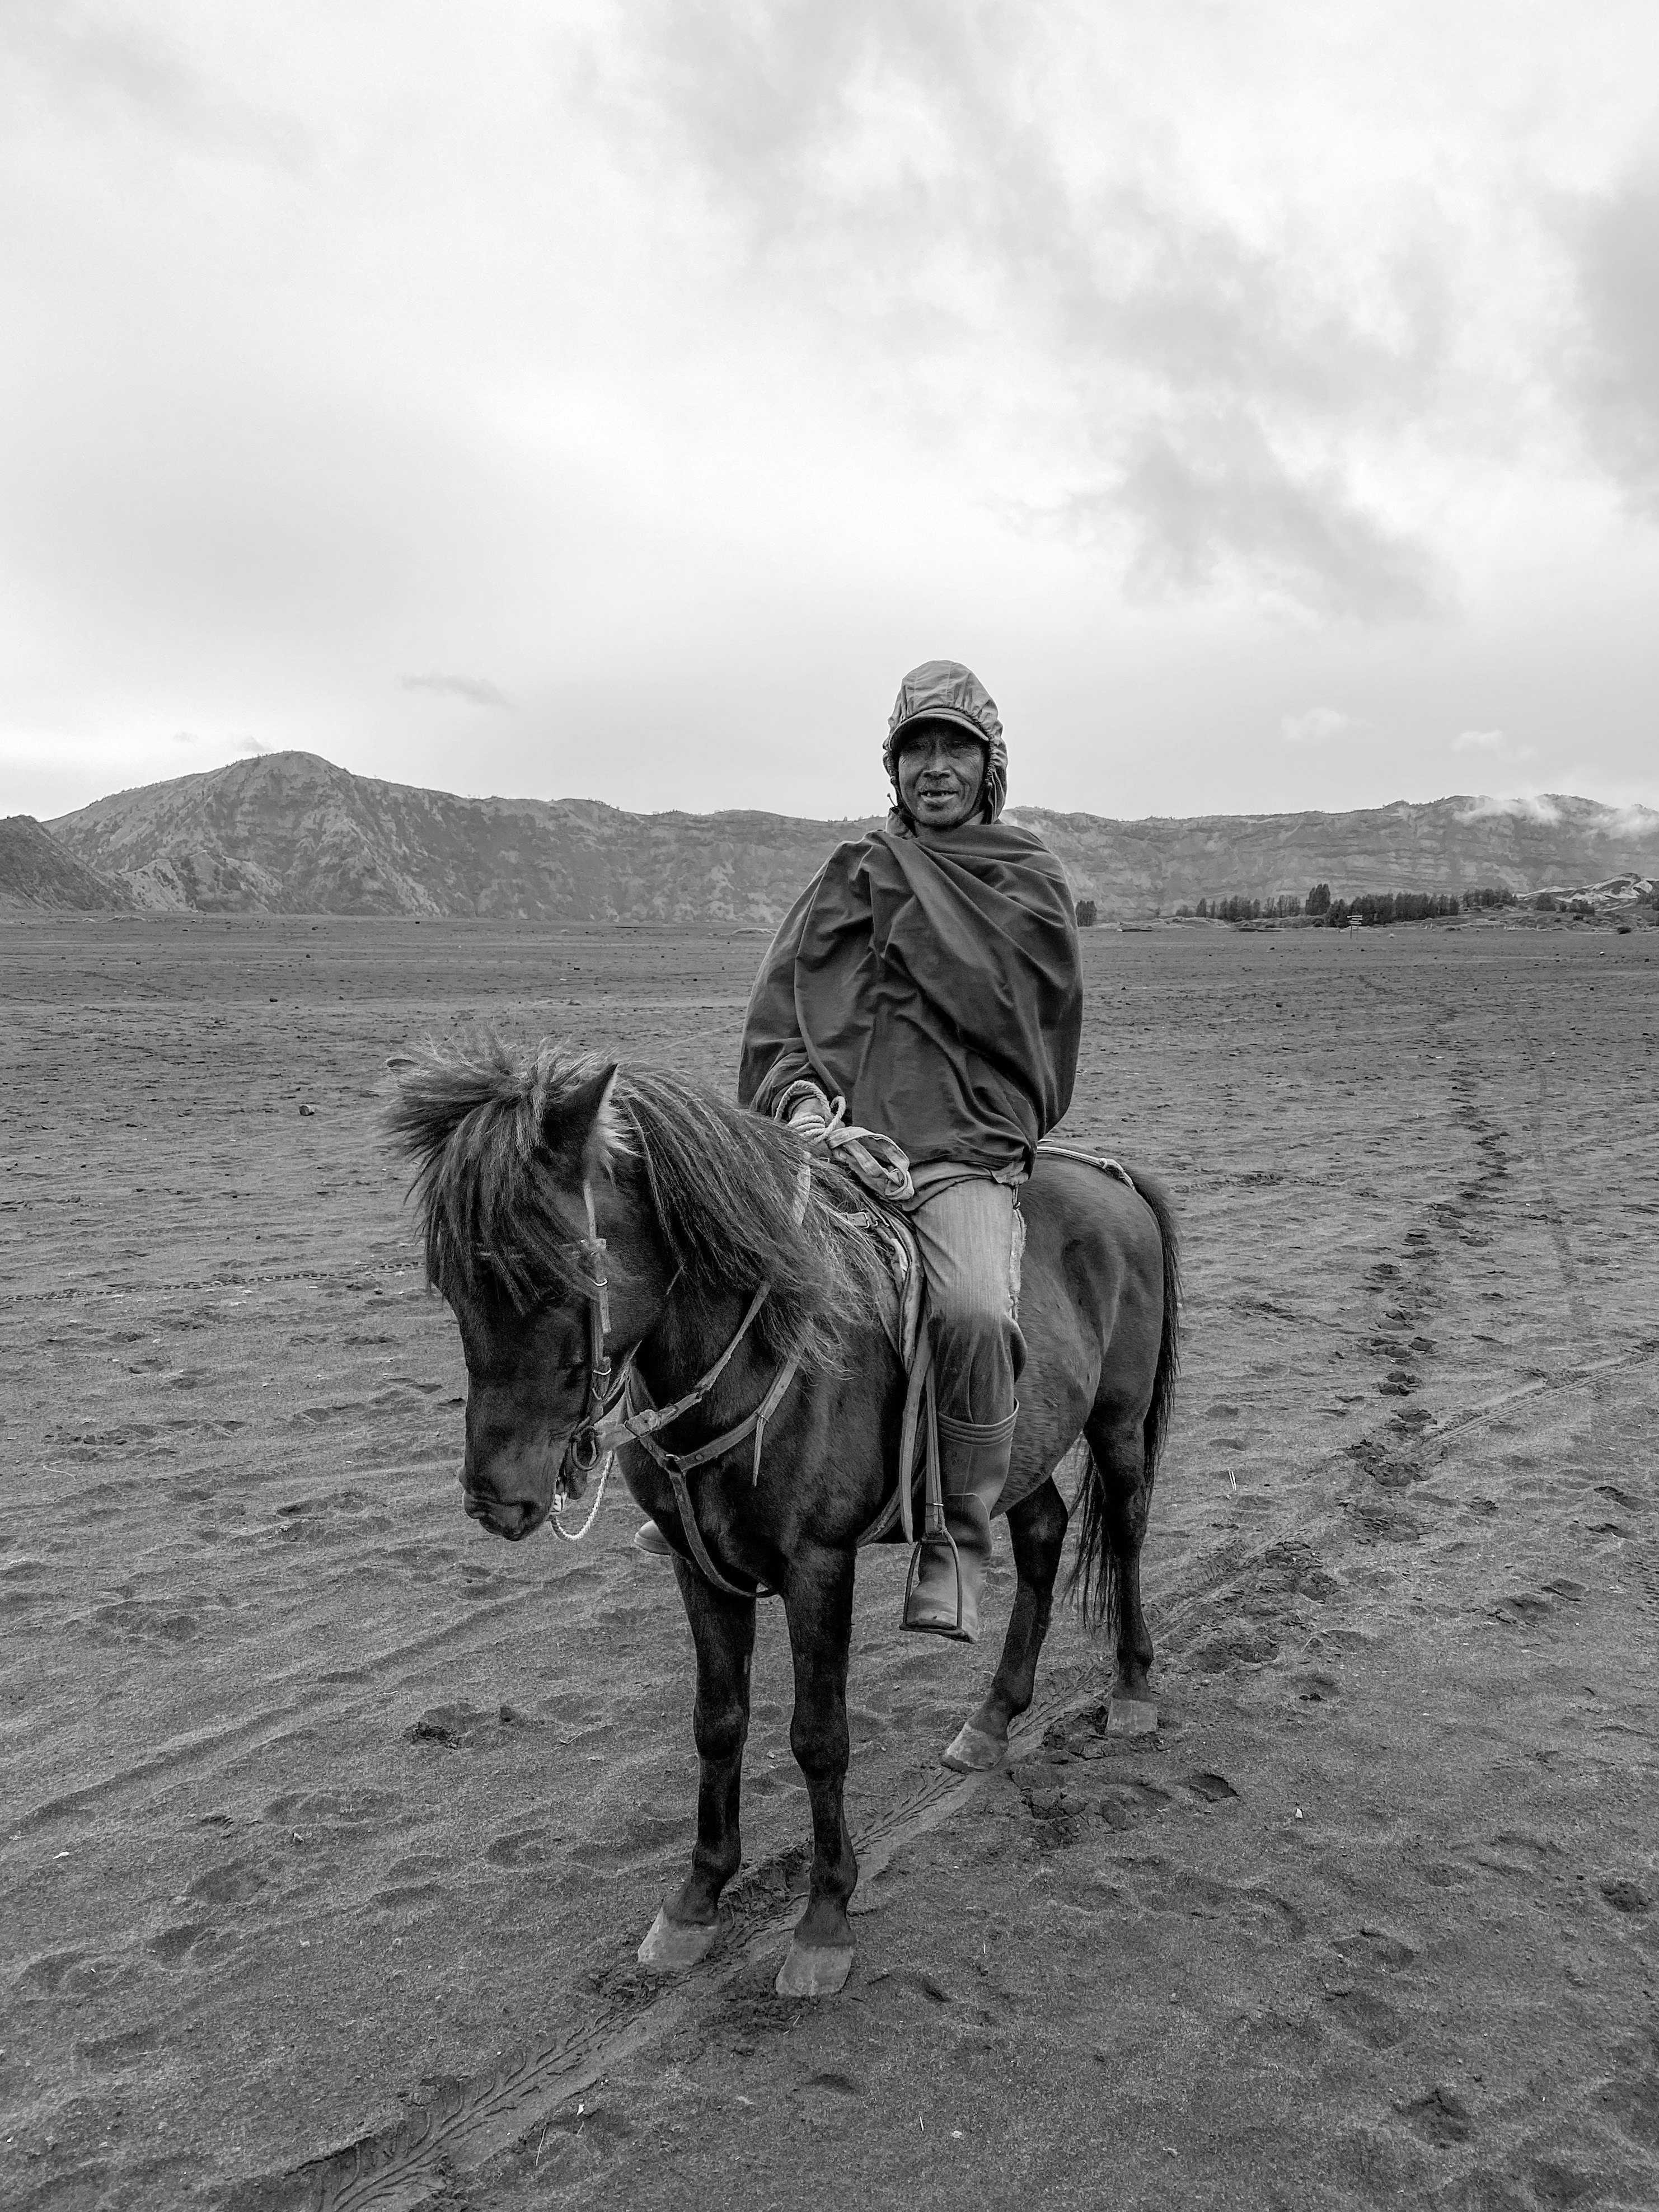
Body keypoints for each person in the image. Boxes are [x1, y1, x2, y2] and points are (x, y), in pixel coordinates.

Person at [728, 659, 1082, 1639]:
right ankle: (702, 1490)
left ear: (989, 766)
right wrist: (798, 1104)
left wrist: (968, 1130)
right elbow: (780, 1016)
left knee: (969, 1311)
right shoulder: (853, 874)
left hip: (959, 1152)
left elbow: (1034, 1032)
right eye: (916, 749)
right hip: (832, 1145)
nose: (935, 767)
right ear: (895, 769)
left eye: (954, 748)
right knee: (718, 1270)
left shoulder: (1027, 882)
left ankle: (960, 1539)